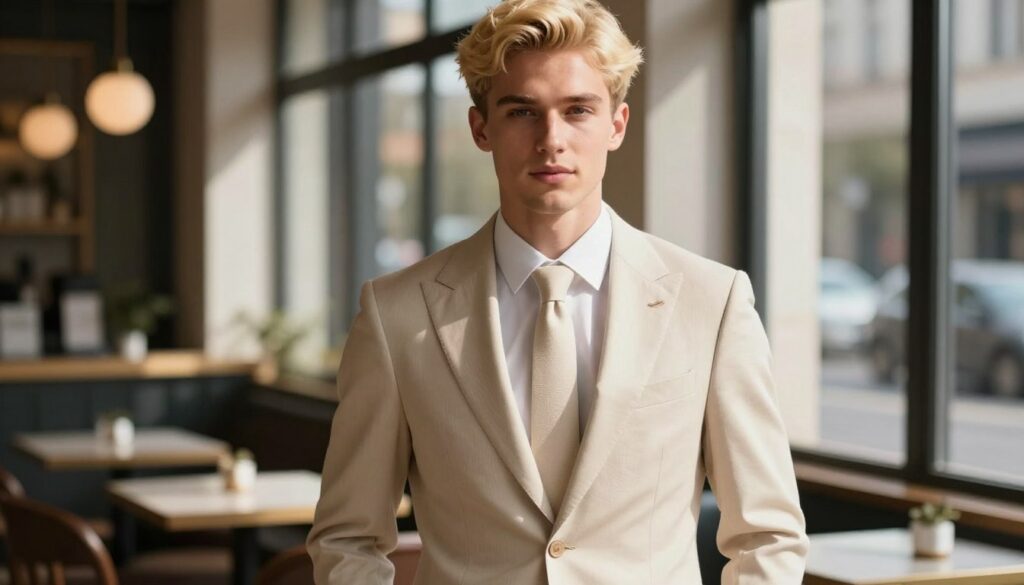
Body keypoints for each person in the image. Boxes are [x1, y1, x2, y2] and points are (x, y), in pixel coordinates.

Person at [307, 0, 809, 582]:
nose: (552, 139)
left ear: (616, 124)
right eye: (522, 111)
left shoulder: (711, 302)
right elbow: (348, 537)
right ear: (481, 128)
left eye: (578, 110)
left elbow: (767, 535)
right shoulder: (397, 314)